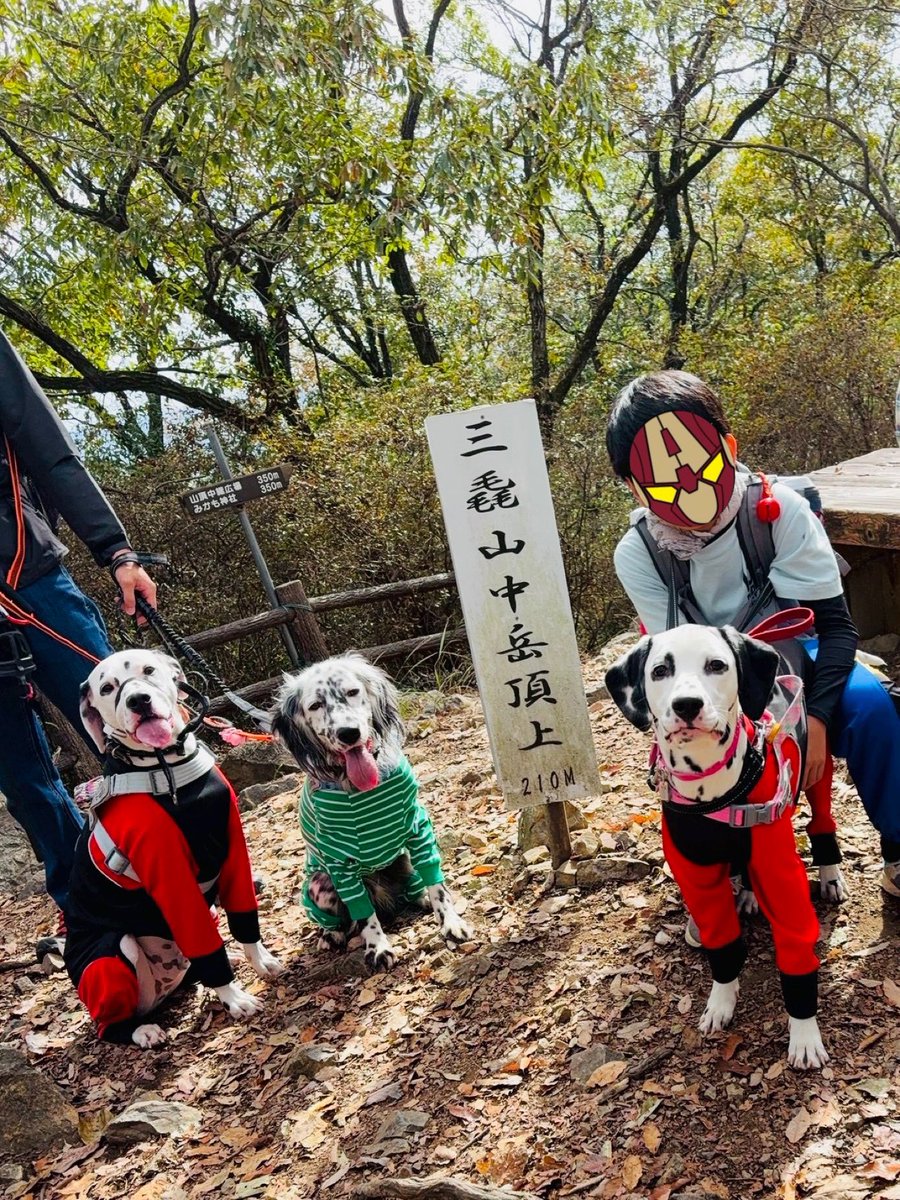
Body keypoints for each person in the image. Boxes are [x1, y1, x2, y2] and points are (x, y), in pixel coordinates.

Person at [605, 369, 900, 904]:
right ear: (634, 485)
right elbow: (677, 665)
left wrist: (816, 719)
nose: (689, 484)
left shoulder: (777, 510)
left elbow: (835, 629)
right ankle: (731, 860)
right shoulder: (639, 552)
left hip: (797, 655)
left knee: (870, 707)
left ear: (729, 445)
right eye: (662, 476)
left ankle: (899, 844)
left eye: (701, 460)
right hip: (714, 681)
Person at [0, 328, 156, 955]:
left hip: (31, 578)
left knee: (127, 730)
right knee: (23, 775)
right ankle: (89, 912)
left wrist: (115, 551)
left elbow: (50, 452)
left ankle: (175, 878)